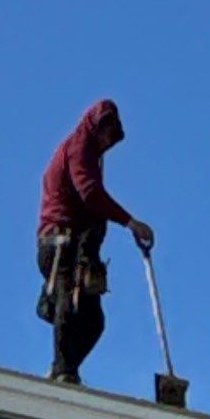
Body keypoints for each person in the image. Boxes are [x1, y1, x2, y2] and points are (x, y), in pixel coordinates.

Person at [36, 101, 153, 385]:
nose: (106, 142)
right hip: (60, 242)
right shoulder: (79, 147)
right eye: (105, 134)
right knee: (69, 304)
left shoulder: (90, 155)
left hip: (78, 246)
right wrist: (130, 222)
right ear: (96, 127)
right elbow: (90, 195)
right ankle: (63, 371)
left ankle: (64, 368)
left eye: (111, 138)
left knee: (92, 321)